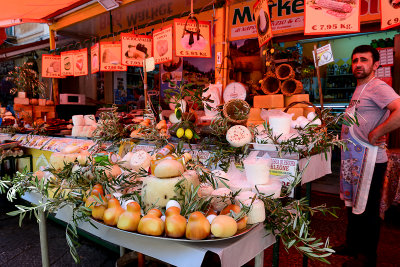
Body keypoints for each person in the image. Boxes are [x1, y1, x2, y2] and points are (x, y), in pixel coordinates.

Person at [335, 45, 400, 266]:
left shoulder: (377, 87)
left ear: (376, 64)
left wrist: (377, 132)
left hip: (370, 160)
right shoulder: (360, 88)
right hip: (354, 159)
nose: (358, 64)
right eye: (355, 60)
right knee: (353, 205)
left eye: (364, 60)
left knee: (369, 210)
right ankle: (352, 246)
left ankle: (367, 257)